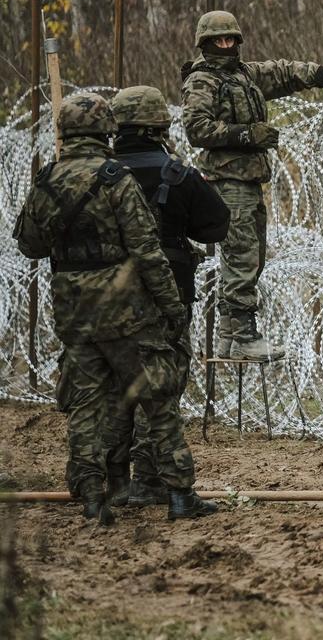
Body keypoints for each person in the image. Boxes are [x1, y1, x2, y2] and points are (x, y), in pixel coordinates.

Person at [13, 92, 214, 523]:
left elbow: (29, 245)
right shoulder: (113, 177)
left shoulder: (47, 178)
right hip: (124, 306)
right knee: (157, 398)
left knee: (86, 404)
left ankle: (91, 495)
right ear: (106, 129)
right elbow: (146, 249)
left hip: (72, 307)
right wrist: (171, 305)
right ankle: (180, 494)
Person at [181, 10, 323, 361]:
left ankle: (231, 336)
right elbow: (196, 129)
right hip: (227, 180)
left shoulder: (244, 74)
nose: (226, 45)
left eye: (231, 39)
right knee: (243, 257)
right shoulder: (203, 81)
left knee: (252, 256)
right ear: (206, 43)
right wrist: (245, 134)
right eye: (219, 40)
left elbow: (285, 71)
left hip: (247, 179)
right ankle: (244, 336)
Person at [106, 85, 231, 508]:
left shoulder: (93, 174)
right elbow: (216, 227)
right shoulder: (177, 174)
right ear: (159, 125)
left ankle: (114, 484)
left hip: (101, 301)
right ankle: (150, 482)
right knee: (159, 390)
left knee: (112, 389)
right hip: (166, 298)